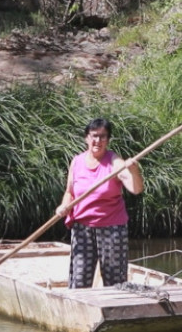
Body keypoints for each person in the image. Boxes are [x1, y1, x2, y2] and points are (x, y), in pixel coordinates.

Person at [55, 118, 144, 288]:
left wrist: (133, 171)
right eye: (94, 136)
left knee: (114, 280)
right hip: (82, 228)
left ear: (108, 140)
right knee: (79, 279)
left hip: (111, 228)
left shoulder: (114, 162)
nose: (98, 141)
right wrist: (63, 206)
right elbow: (70, 192)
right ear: (86, 138)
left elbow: (136, 189)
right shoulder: (77, 162)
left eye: (103, 137)